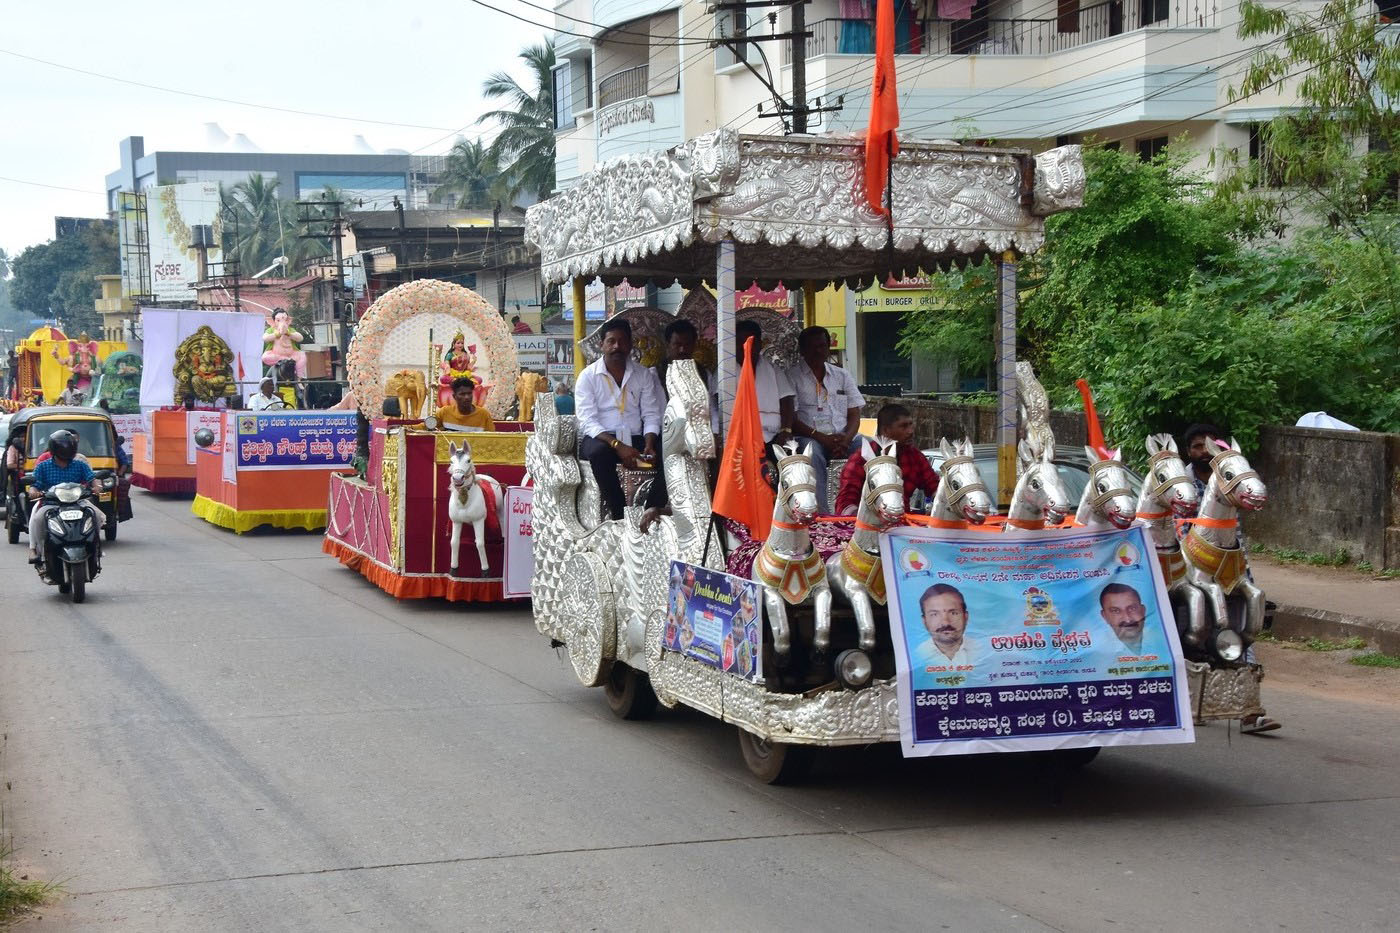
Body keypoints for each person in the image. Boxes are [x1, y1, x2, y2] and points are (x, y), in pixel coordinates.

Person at [1180, 421, 1282, 735]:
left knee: (1242, 637)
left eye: (1207, 445)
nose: (1202, 452)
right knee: (1189, 634)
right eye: (1197, 446)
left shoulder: (1229, 476)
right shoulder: (1180, 480)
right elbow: (1176, 528)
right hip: (1187, 565)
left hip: (1232, 566)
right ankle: (1186, 704)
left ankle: (1250, 712)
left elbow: (1236, 527)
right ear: (1190, 451)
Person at [576, 318, 664, 520]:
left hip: (636, 440)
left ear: (630, 345)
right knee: (599, 454)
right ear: (602, 345)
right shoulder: (588, 376)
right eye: (611, 341)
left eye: (623, 341)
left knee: (670, 453)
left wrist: (649, 444)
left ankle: (650, 511)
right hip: (602, 439)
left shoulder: (643, 375)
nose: (617, 346)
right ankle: (620, 516)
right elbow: (587, 421)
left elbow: (651, 413)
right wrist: (617, 445)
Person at [788, 326, 864, 507]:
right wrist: (822, 438)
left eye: (822, 346)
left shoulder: (842, 375)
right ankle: (821, 513)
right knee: (812, 451)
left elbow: (854, 413)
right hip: (809, 436)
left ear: (828, 347)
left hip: (841, 437)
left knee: (867, 446)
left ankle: (859, 508)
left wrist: (846, 439)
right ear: (802, 350)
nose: (818, 351)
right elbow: (792, 419)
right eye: (812, 347)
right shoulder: (792, 376)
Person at [834, 403, 939, 516]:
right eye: (903, 426)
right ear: (885, 430)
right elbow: (845, 503)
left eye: (910, 425)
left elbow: (934, 487)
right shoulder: (860, 458)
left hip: (904, 525)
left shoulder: (915, 456)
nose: (910, 431)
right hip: (865, 527)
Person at [27, 430, 104, 564]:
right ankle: (38, 550)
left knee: (96, 516)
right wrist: (33, 491)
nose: (66, 449)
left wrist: (97, 486)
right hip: (51, 503)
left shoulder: (80, 465)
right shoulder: (43, 466)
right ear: (54, 448)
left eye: (69, 445)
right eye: (63, 446)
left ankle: (95, 546)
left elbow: (92, 479)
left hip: (78, 501)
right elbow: (35, 484)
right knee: (37, 519)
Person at [712, 319, 794, 443]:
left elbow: (787, 400)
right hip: (739, 437)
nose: (744, 347)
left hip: (773, 436)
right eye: (739, 342)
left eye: (750, 342)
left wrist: (786, 430)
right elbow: (721, 403)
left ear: (760, 344)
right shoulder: (725, 371)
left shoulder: (773, 369)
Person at [914, 583, 976, 668]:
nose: (945, 623)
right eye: (934, 614)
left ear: (966, 617)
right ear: (924, 621)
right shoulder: (916, 655)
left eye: (953, 613)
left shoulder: (982, 650)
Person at [1098, 582, 1149, 652]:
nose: (1127, 619)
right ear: (1105, 616)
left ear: (1143, 611)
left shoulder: (1160, 639)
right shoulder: (1100, 653)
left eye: (1132, 609)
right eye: (1115, 611)